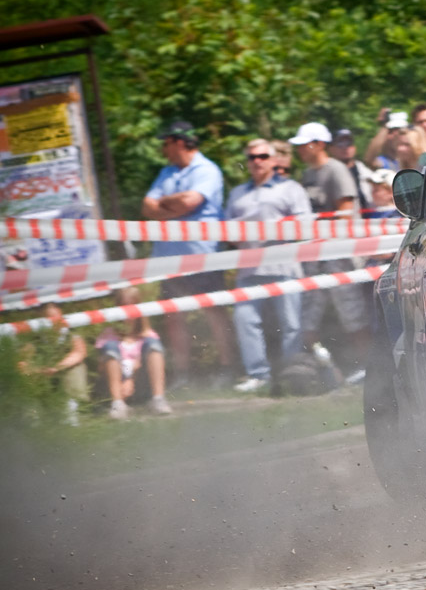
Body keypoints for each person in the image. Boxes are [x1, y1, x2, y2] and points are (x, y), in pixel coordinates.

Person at [140, 120, 237, 386]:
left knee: (214, 314)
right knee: (174, 317)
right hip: (169, 259)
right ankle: (182, 375)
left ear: (180, 142)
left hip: (202, 256)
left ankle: (228, 368)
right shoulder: (167, 172)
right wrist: (173, 204)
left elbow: (190, 203)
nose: (163, 148)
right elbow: (147, 208)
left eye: (166, 143)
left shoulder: (207, 170)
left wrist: (165, 203)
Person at [226, 140, 313, 393]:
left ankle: (292, 373)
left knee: (291, 324)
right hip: (248, 269)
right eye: (252, 157)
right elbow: (226, 228)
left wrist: (271, 227)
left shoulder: (291, 188)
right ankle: (258, 375)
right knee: (245, 321)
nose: (257, 161)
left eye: (263, 156)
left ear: (274, 160)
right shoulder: (237, 193)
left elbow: (304, 224)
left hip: (285, 267)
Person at [291, 121, 370, 382]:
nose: (301, 149)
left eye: (305, 144)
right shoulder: (308, 175)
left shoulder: (335, 171)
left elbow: (345, 213)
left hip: (340, 254)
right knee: (309, 316)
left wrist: (325, 241)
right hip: (316, 254)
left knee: (352, 314)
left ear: (319, 144)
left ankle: (369, 367)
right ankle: (327, 371)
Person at [97, 288, 171, 419]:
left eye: (131, 307)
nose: (128, 314)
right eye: (123, 307)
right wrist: (123, 379)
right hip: (117, 384)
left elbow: (141, 362)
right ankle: (117, 404)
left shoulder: (147, 335)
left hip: (140, 382)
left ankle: (158, 399)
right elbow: (101, 367)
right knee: (110, 347)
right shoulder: (109, 334)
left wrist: (130, 379)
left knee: (153, 345)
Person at [18, 303, 89, 425]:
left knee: (77, 368)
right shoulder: (34, 336)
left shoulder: (71, 332)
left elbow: (79, 352)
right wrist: (38, 370)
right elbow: (22, 363)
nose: (51, 321)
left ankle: (72, 413)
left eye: (54, 316)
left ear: (60, 314)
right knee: (26, 378)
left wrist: (57, 367)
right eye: (46, 318)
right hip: (42, 375)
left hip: (64, 372)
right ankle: (33, 417)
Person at [330, 128, 375, 212]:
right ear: (331, 148)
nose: (345, 148)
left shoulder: (366, 173)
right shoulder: (328, 174)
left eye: (348, 143)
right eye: (340, 144)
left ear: (354, 147)